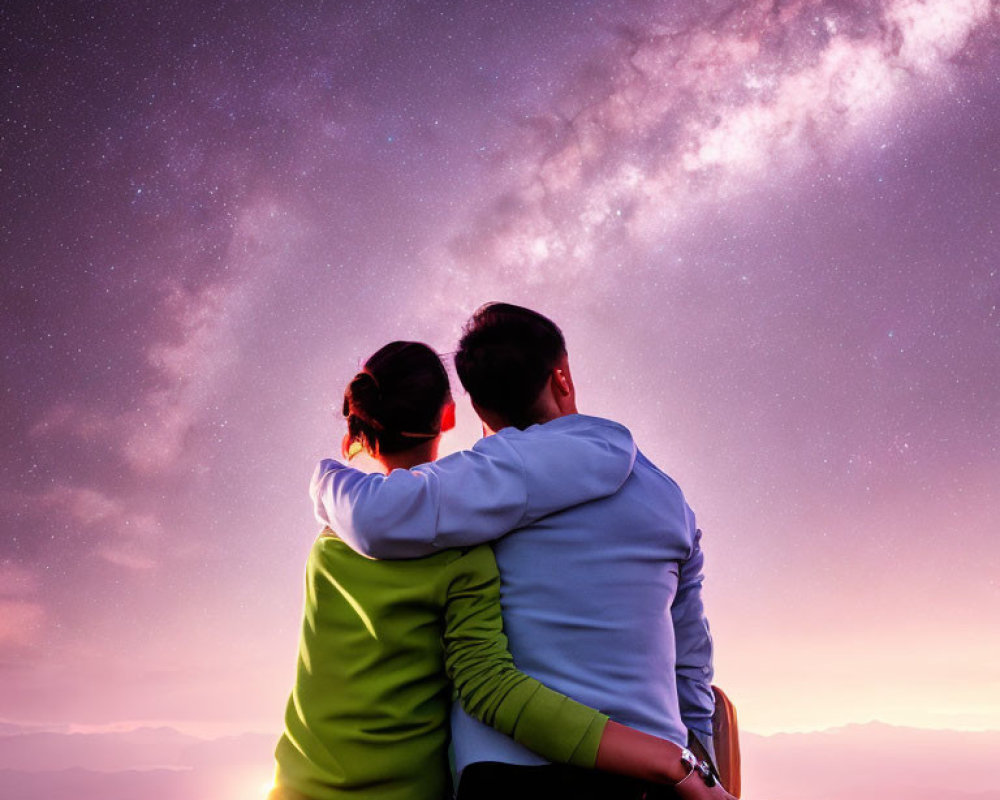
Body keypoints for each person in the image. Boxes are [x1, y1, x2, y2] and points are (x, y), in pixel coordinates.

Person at [271, 340, 731, 800]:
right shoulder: (465, 553)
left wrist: (327, 476)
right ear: (449, 416)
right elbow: (489, 685)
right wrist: (676, 761)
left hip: (297, 783)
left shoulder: (327, 546)